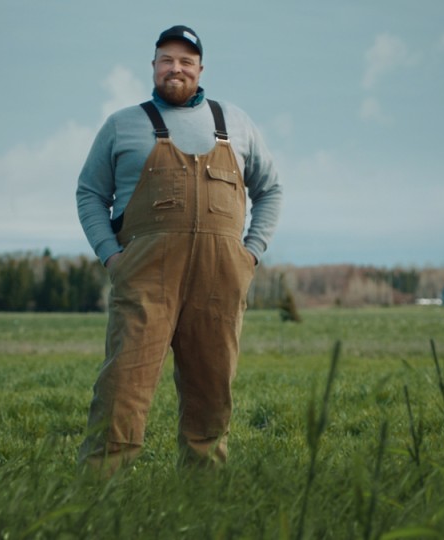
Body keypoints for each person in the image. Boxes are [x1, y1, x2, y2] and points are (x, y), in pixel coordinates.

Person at [75, 24, 283, 473]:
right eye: (167, 60)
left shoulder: (236, 124)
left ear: (200, 69)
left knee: (212, 392)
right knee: (122, 388)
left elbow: (271, 190)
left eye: (186, 61)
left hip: (220, 282)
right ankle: (98, 496)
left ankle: (201, 500)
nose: (176, 68)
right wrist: (112, 255)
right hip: (145, 278)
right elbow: (90, 192)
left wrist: (251, 253)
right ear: (153, 67)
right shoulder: (122, 125)